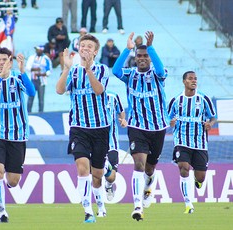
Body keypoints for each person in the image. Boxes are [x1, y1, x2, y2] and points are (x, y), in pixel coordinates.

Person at [112, 31, 169, 221]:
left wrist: (151, 47)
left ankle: (149, 184)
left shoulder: (158, 75)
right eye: (139, 56)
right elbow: (115, 71)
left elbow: (161, 70)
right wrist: (127, 50)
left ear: (150, 58)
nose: (142, 59)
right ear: (135, 58)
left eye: (146, 56)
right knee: (139, 164)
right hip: (137, 127)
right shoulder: (130, 75)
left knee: (150, 169)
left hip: (158, 128)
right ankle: (137, 206)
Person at [56, 34, 111, 223]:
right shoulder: (73, 71)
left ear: (95, 51)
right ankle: (87, 209)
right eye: (82, 45)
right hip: (78, 127)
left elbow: (98, 90)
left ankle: (100, 202)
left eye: (89, 46)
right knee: (82, 168)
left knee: (97, 174)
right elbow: (59, 90)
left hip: (100, 128)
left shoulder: (103, 69)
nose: (85, 48)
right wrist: (65, 68)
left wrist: (88, 70)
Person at [0, 47, 35, 223]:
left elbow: (32, 92)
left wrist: (23, 71)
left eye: (4, 60)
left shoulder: (18, 78)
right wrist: (0, 76)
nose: (1, 63)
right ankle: (2, 212)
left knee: (13, 181)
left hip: (17, 134)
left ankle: (8, 178)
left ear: (10, 62)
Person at [168, 71, 217, 214]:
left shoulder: (203, 99)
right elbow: (168, 118)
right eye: (190, 79)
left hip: (200, 143)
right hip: (181, 141)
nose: (193, 81)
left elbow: (213, 116)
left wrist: (210, 123)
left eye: (195, 78)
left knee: (200, 177)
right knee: (183, 167)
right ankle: (188, 203)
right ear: (184, 81)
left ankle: (198, 181)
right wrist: (171, 122)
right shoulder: (176, 100)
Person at [104, 91, 127, 201]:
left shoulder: (113, 96)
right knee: (95, 172)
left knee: (112, 176)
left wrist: (122, 120)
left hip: (111, 142)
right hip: (94, 141)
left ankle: (108, 186)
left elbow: (121, 111)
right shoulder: (87, 96)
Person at [26, 45, 52, 113]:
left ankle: (41, 112)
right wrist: (36, 69)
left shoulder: (46, 59)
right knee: (30, 97)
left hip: (41, 81)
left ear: (41, 50)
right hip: (32, 80)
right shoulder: (32, 57)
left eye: (38, 50)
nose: (36, 51)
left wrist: (42, 74)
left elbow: (49, 71)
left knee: (41, 99)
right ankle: (28, 112)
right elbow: (28, 67)